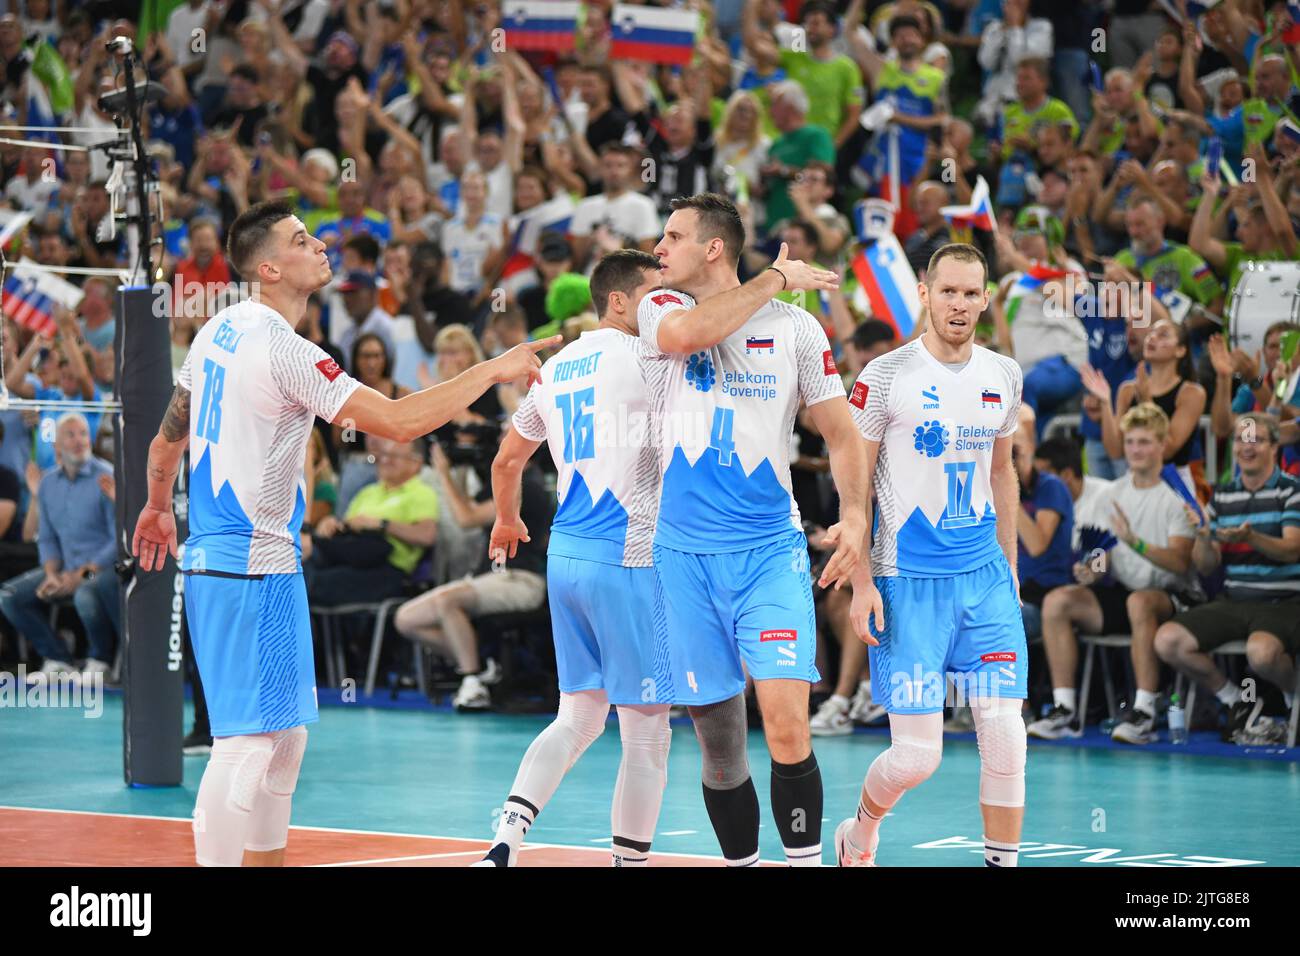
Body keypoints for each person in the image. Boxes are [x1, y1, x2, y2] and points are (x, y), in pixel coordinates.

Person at [130, 199, 556, 868]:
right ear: (269, 267)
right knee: (245, 746)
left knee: (285, 738)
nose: (321, 243)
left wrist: (158, 503)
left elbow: (168, 436)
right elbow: (401, 422)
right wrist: (493, 369)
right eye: (302, 240)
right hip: (245, 565)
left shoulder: (218, 330)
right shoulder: (285, 349)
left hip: (251, 563)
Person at [640, 193, 866, 867]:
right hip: (682, 557)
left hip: (769, 552)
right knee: (719, 749)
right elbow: (690, 339)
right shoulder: (661, 308)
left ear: (714, 247)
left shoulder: (797, 331)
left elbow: (842, 437)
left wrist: (854, 515)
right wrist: (775, 277)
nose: (659, 248)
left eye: (673, 236)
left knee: (789, 728)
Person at [474, 249, 671, 868]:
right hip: (628, 555)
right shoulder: (652, 356)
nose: (668, 307)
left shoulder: (558, 368)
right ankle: (628, 863)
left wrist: (508, 520)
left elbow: (506, 461)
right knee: (647, 730)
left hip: (567, 556)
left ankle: (505, 838)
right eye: (655, 293)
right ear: (619, 300)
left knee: (580, 716)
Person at [836, 243, 1026, 868]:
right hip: (905, 582)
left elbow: (1002, 472)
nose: (961, 304)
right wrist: (861, 581)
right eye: (949, 291)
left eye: (973, 293)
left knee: (1004, 733)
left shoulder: (1002, 373)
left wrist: (1010, 571)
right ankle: (861, 829)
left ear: (986, 299)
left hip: (984, 580)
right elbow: (854, 487)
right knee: (919, 756)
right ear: (924, 293)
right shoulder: (884, 376)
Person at [1028, 403, 1200, 744]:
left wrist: (1136, 544)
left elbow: (1180, 563)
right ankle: (1064, 711)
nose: (1136, 450)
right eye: (1131, 442)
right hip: (1126, 593)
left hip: (1174, 598)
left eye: (1145, 442)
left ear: (1163, 446)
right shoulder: (1113, 493)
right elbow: (1103, 552)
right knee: (1058, 601)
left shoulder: (1178, 494)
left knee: (1140, 602)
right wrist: (1091, 570)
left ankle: (1143, 712)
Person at [1155, 412, 1300, 747]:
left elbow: (1292, 550)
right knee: (1168, 640)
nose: (1246, 447)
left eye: (1256, 440)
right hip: (1235, 601)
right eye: (1240, 440)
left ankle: (1294, 700)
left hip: (1285, 602)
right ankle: (1237, 699)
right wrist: (1204, 536)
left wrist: (1252, 538)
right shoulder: (1222, 495)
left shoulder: (1291, 491)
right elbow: (1206, 567)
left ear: (1274, 447)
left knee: (1261, 654)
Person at [0, 414, 118, 683]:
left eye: (83, 434)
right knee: (9, 595)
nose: (79, 441)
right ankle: (58, 659)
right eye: (71, 435)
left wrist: (80, 574)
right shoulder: (48, 485)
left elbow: (116, 541)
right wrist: (52, 573)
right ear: (56, 447)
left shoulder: (106, 477)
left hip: (98, 571)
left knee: (85, 592)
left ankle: (100, 660)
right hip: (63, 569)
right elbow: (47, 539)